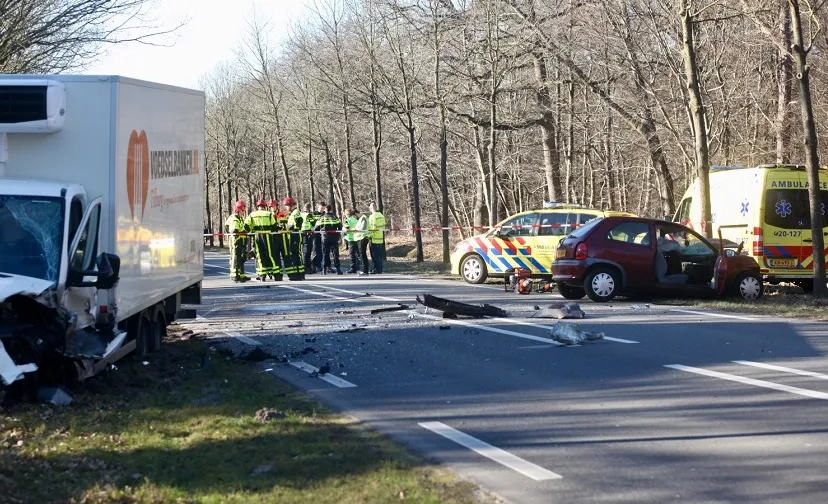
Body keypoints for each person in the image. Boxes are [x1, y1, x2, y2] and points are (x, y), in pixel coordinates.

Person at [244, 199, 281, 281]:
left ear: (258, 207)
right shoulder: (269, 214)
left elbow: (245, 226)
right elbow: (274, 226)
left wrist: (251, 232)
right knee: (271, 255)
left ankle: (262, 275)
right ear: (265, 206)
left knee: (260, 256)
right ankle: (277, 275)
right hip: (267, 237)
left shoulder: (252, 215)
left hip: (257, 237)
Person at [224, 201, 250, 282]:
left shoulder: (240, 218)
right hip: (236, 241)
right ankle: (234, 275)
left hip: (241, 240)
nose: (243, 212)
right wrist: (243, 232)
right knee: (235, 257)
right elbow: (234, 230)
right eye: (242, 210)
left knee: (241, 258)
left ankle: (241, 274)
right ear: (238, 210)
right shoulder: (234, 219)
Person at [315, 204, 343, 275]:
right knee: (335, 254)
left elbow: (316, 228)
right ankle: (338, 269)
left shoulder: (322, 217)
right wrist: (337, 234)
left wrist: (320, 233)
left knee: (325, 253)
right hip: (334, 237)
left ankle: (324, 270)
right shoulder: (334, 217)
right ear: (331, 209)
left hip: (325, 237)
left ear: (325, 209)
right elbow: (340, 226)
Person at [283, 197, 305, 280]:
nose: (286, 208)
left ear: (291, 205)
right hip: (292, 235)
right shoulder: (292, 213)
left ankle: (300, 274)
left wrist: (294, 228)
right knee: (294, 254)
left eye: (287, 206)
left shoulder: (295, 212)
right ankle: (297, 273)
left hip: (296, 234)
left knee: (296, 254)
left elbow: (299, 220)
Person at [367, 202, 387, 274]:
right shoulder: (381, 215)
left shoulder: (372, 216)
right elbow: (384, 225)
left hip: (374, 238)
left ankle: (376, 269)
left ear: (371, 208)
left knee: (374, 255)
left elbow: (373, 228)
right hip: (380, 238)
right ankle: (379, 269)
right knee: (379, 255)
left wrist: (368, 235)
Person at [300, 203, 319, 273]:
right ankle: (306, 267)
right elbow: (313, 223)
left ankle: (306, 266)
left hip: (302, 233)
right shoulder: (308, 215)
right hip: (308, 233)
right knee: (307, 251)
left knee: (304, 251)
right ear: (309, 208)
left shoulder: (301, 214)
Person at [342, 208, 361, 273]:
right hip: (356, 238)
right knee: (357, 253)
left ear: (346, 214)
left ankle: (353, 268)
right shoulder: (355, 220)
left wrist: (343, 228)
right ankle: (358, 266)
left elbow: (346, 229)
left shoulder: (347, 221)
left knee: (352, 254)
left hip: (350, 238)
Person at [356, 210, 371, 276]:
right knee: (362, 254)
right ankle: (364, 270)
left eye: (355, 216)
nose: (355, 217)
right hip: (361, 237)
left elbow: (363, 228)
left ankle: (365, 270)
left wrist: (356, 230)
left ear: (357, 213)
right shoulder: (361, 218)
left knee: (362, 254)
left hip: (363, 237)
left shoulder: (363, 218)